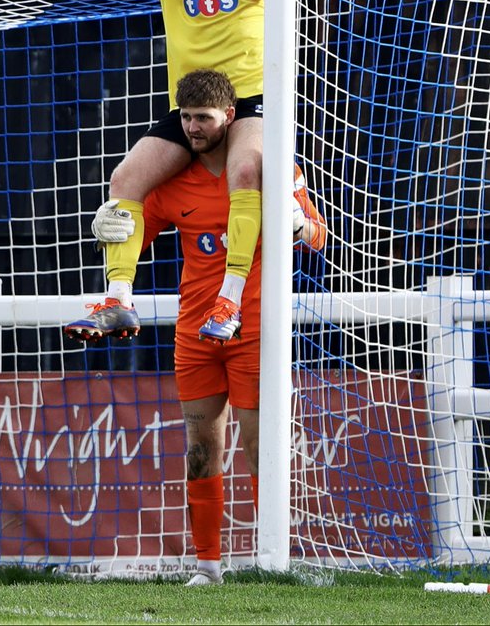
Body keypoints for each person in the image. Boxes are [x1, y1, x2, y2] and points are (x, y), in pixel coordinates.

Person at [80, 69, 326, 585]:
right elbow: (132, 236)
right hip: (195, 331)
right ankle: (208, 567)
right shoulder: (170, 183)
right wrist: (108, 229)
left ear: (229, 117)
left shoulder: (271, 169)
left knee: (261, 445)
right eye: (186, 118)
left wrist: (300, 225)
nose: (193, 128)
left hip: (253, 327)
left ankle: (271, 562)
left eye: (203, 118)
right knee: (199, 447)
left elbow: (319, 236)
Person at [67, 0, 267, 343]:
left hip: (249, 97)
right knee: (123, 180)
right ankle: (118, 300)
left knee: (245, 173)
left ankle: (230, 300)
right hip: (193, 102)